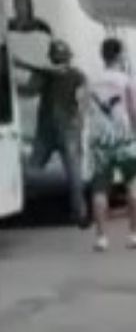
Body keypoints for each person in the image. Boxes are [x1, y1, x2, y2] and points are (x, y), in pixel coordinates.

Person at [86, 38, 136, 251]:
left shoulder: (91, 80)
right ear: (120, 55)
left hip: (100, 142)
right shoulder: (126, 80)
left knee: (100, 190)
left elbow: (86, 110)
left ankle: (101, 237)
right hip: (125, 140)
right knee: (133, 186)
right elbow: (133, 110)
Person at [18, 39, 88, 226]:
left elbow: (28, 91)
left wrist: (11, 83)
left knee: (31, 170)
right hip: (69, 128)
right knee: (74, 172)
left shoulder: (44, 74)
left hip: (46, 129)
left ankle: (25, 210)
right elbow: (82, 101)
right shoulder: (78, 75)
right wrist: (79, 123)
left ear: (51, 57)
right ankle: (79, 212)